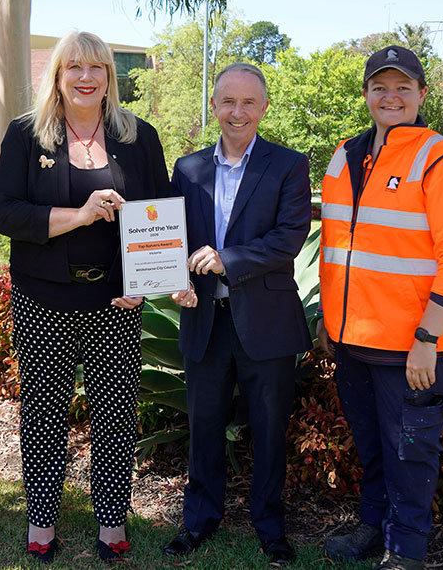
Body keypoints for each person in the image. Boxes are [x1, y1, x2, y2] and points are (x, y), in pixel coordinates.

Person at [0, 31, 172, 563]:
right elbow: (7, 214)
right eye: (74, 66)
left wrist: (140, 282)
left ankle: (112, 521)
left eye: (97, 67)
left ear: (110, 76)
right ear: (58, 75)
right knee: (43, 413)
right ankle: (41, 519)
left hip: (115, 302)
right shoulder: (27, 135)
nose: (86, 77)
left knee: (115, 413)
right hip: (43, 299)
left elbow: (158, 214)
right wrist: (81, 215)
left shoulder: (139, 137)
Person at [318, 46, 443, 570]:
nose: (391, 97)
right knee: (371, 445)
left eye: (403, 87)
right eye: (380, 87)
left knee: (411, 451)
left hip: (411, 346)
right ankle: (373, 528)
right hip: (351, 340)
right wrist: (328, 318)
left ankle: (405, 549)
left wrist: (428, 339)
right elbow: (337, 245)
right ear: (366, 94)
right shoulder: (345, 155)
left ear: (422, 94)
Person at [162, 62, 312, 567]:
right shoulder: (188, 169)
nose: (238, 111)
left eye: (249, 102)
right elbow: (172, 238)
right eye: (228, 101)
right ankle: (198, 521)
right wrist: (176, 281)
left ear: (263, 107)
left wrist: (228, 259)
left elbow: (288, 238)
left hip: (266, 320)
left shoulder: (288, 165)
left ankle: (270, 528)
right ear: (214, 106)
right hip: (205, 318)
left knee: (269, 430)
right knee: (204, 426)